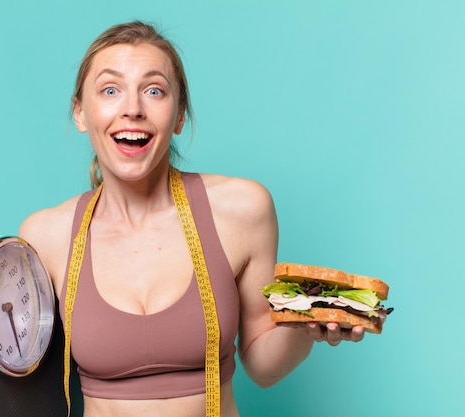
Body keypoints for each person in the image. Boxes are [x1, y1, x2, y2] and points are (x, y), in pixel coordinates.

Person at [19, 21, 365, 417]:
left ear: (179, 115)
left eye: (154, 90)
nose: (132, 108)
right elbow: (24, 384)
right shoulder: (45, 236)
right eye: (110, 90)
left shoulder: (240, 211)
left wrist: (304, 328)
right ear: (80, 113)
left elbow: (263, 366)